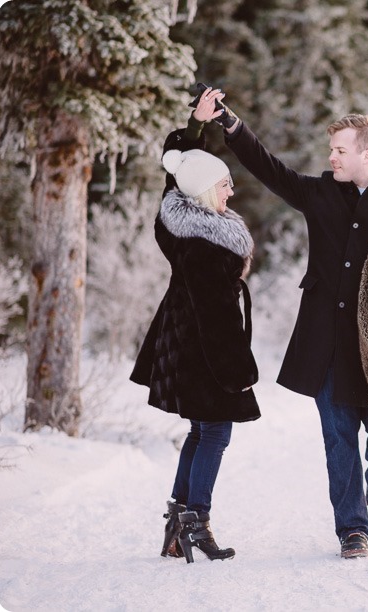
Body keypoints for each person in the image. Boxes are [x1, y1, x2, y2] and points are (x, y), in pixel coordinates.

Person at [194, 86, 368, 559]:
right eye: (331, 150)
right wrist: (229, 124)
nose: (332, 157)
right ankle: (352, 529)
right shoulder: (319, 192)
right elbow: (269, 168)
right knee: (338, 437)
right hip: (327, 343)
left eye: (340, 150)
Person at [130, 93, 259, 563]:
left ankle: (178, 518)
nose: (231, 192)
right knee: (216, 433)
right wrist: (238, 370)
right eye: (224, 185)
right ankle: (195, 519)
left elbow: (175, 171)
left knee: (199, 432)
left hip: (178, 343)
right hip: (203, 351)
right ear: (205, 190)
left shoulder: (175, 223)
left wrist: (194, 127)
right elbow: (217, 319)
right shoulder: (211, 246)